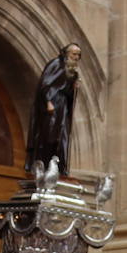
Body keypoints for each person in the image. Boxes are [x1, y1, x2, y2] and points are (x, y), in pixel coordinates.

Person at [25, 43, 82, 176]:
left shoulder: (72, 72)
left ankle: (59, 167)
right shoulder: (56, 64)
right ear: (66, 53)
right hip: (52, 104)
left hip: (62, 107)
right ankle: (43, 165)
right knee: (49, 135)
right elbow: (45, 84)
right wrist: (48, 101)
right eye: (74, 54)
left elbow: (67, 93)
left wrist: (73, 87)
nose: (76, 57)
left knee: (62, 137)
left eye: (78, 55)